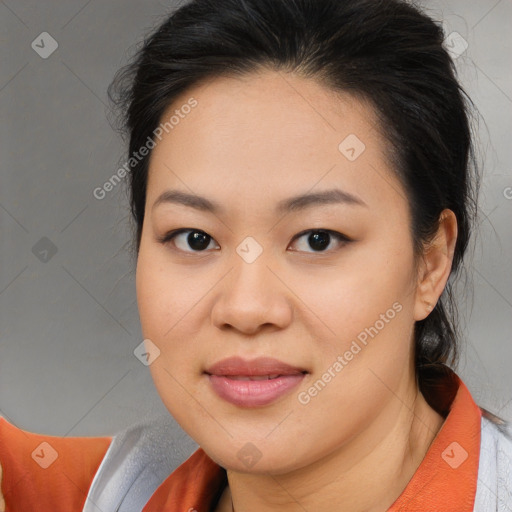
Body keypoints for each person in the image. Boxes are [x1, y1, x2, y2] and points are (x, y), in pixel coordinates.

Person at [1, 0, 511, 510]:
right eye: (195, 238)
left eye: (318, 239)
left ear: (431, 263)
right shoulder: (87, 495)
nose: (246, 309)